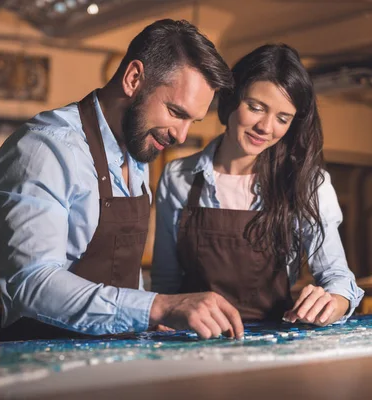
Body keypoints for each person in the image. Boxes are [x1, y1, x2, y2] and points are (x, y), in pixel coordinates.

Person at [0, 19, 244, 341]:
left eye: (192, 121)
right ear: (133, 78)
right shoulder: (45, 150)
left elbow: (121, 272)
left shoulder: (138, 148)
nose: (181, 135)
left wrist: (145, 318)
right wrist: (156, 307)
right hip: (46, 366)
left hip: (113, 360)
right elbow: (31, 284)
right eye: (176, 113)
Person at [152, 44, 364, 326]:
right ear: (231, 99)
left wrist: (333, 301)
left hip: (273, 342)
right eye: (255, 107)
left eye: (282, 118)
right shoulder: (179, 176)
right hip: (193, 339)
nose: (266, 127)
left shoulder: (307, 182)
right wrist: (164, 319)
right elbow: (166, 281)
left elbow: (337, 277)